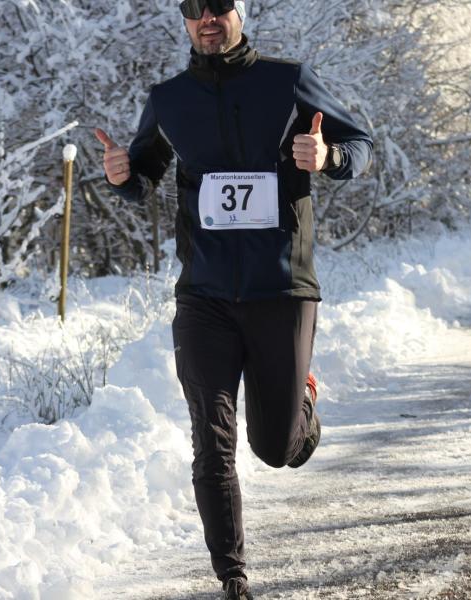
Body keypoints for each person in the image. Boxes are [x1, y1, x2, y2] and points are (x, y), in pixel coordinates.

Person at [94, 0, 372, 597]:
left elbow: (360, 142)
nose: (206, 18)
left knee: (275, 449)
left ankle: (303, 407)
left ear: (239, 14)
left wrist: (330, 157)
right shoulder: (168, 99)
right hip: (205, 297)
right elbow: (144, 174)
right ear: (185, 21)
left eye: (219, 5)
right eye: (193, 9)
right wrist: (123, 177)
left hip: (281, 290)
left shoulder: (287, 81)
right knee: (211, 442)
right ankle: (233, 580)